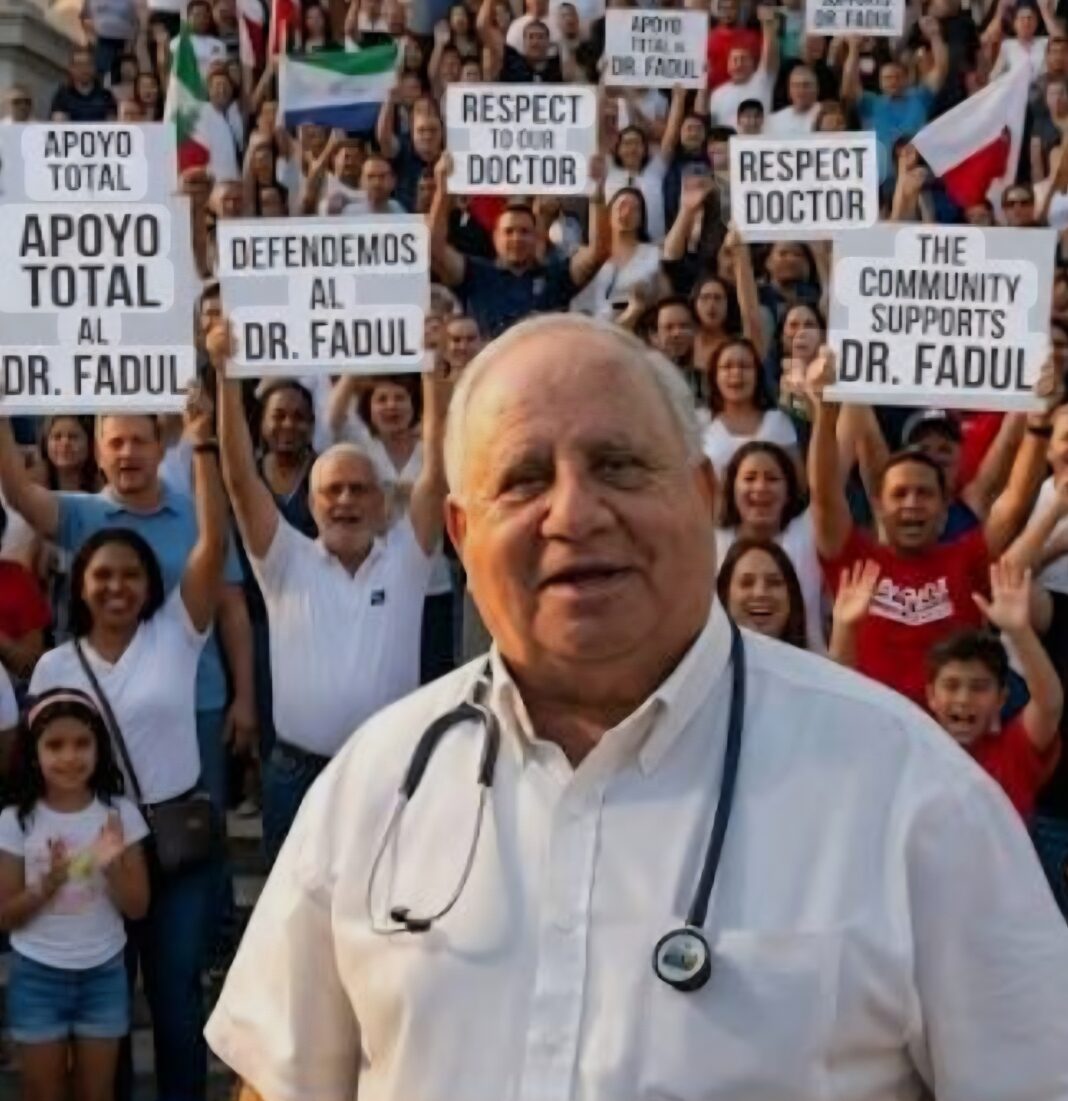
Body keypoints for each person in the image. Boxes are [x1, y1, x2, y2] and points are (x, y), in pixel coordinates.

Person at [207, 315, 1068, 1101]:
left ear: (701, 494)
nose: (575, 513)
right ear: (464, 537)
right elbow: (275, 1080)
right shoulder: (375, 780)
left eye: (618, 465)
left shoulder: (917, 796)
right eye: (524, 479)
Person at [28, 390, 228, 1101]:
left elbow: (214, 545)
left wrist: (203, 445)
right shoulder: (53, 667)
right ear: (80, 586)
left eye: (130, 575)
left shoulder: (178, 631)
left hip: (172, 844)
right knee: (107, 1019)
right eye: (101, 575)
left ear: (150, 586)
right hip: (88, 850)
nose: (116, 586)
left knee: (175, 1007)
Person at [211, 325, 453, 862]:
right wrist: (226, 375)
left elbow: (436, 469)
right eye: (331, 490)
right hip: (296, 779)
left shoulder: (409, 559)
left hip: (388, 772)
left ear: (383, 502)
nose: (345, 500)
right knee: (293, 936)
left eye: (358, 488)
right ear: (313, 505)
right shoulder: (283, 560)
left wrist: (432, 374)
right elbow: (238, 477)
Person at [808, 348, 1052, 708]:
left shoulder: (967, 559)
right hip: (870, 735)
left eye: (924, 493)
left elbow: (1013, 505)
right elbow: (825, 494)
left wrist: (1039, 425)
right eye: (900, 494)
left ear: (943, 511)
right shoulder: (854, 560)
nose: (911, 503)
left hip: (949, 742)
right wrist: (826, 412)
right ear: (879, 506)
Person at [0, 688, 150, 1101]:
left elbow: (138, 907)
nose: (70, 757)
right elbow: (5, 915)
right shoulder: (15, 821)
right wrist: (45, 888)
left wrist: (115, 867)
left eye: (82, 743)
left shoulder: (120, 814)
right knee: (42, 1093)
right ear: (35, 753)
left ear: (100, 748)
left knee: (96, 1094)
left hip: (103, 976)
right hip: (37, 976)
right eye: (55, 745)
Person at [717, 440, 824, 649]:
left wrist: (827, 416)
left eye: (772, 478)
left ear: (788, 490)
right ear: (732, 488)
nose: (760, 487)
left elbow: (826, 481)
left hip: (803, 665)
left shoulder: (806, 535)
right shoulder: (711, 543)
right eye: (749, 478)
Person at [715, 536, 808, 647]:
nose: (760, 593)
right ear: (725, 595)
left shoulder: (815, 664)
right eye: (747, 583)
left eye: (774, 582)